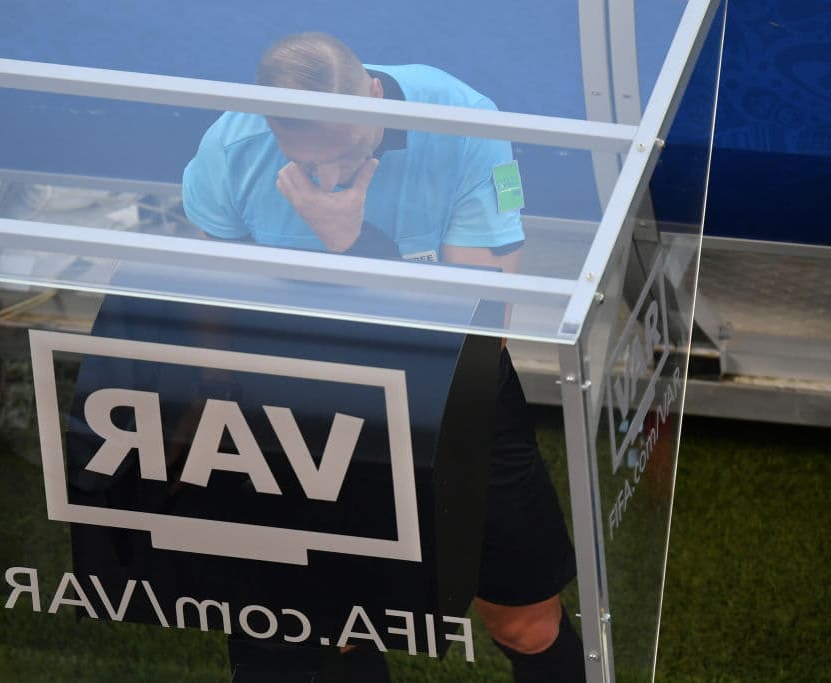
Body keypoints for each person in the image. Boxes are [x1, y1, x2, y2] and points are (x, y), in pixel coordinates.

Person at [181, 32, 585, 683]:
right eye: (306, 162)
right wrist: (217, 397)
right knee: (318, 626)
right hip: (301, 387)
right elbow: (213, 298)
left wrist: (352, 245)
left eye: (345, 151)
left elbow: (484, 333)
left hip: (451, 391)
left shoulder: (464, 123)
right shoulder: (230, 147)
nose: (330, 178)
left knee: (526, 623)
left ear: (373, 94)